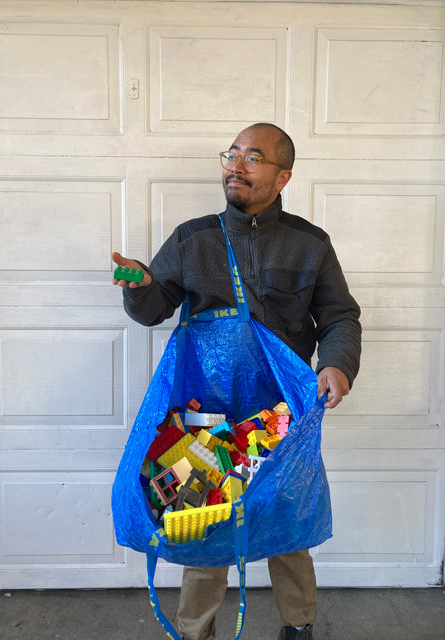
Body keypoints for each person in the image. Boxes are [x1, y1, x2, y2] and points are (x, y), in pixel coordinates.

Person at [112, 122, 361, 640]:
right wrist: (140, 285)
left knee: (287, 520)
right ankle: (195, 632)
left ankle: (299, 627)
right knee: (204, 522)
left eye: (253, 157)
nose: (236, 165)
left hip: (283, 413)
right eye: (231, 155)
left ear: (282, 175)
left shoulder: (310, 244)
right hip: (207, 414)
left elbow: (339, 316)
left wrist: (336, 364)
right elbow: (154, 307)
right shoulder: (192, 238)